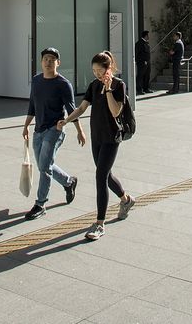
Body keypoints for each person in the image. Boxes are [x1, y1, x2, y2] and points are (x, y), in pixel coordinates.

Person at [58, 51, 135, 241]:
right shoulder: (93, 86)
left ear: (109, 69)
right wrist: (67, 120)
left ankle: (99, 224)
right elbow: (82, 108)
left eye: (100, 71)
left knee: (100, 176)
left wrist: (108, 89)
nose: (97, 75)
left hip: (111, 137)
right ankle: (126, 200)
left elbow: (116, 111)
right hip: (97, 137)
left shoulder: (119, 85)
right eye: (94, 71)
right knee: (106, 175)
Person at [22, 47, 86, 220]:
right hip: (38, 129)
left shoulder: (63, 84)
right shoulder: (36, 81)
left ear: (58, 63)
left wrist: (80, 131)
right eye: (45, 59)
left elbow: (72, 109)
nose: (48, 62)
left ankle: (40, 204)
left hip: (55, 129)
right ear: (41, 62)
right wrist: (26, 125)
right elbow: (32, 104)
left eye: (52, 59)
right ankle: (69, 182)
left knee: (44, 168)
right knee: (45, 165)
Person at [135, 30, 152, 94]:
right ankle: (139, 89)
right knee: (140, 76)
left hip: (148, 62)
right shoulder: (139, 43)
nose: (148, 37)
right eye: (148, 35)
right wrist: (142, 61)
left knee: (147, 75)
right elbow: (137, 54)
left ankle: (146, 88)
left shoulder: (146, 43)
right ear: (145, 36)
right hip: (142, 63)